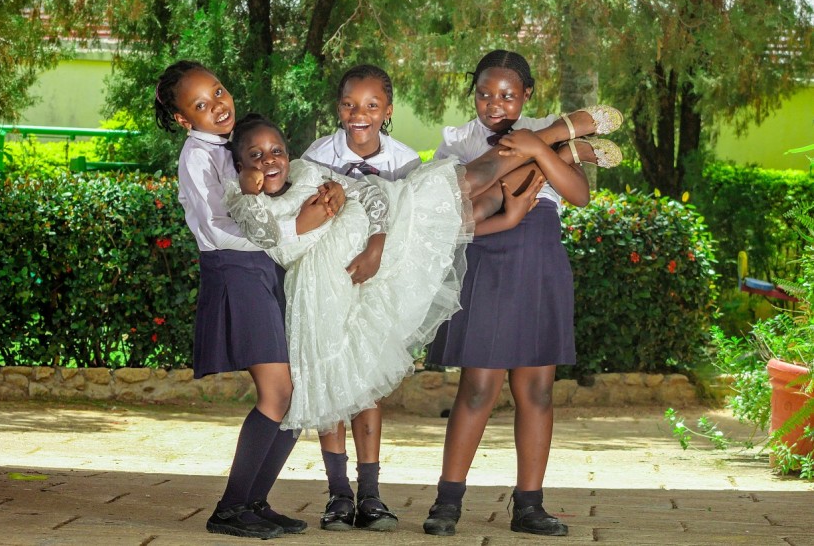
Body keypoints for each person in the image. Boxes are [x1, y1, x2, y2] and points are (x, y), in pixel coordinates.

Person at [224, 111, 556, 533]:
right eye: (255, 156)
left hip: (372, 263)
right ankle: (339, 494)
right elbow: (273, 237)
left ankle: (548, 141)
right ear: (239, 166)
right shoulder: (241, 197)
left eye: (276, 151)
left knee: (454, 195)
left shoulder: (308, 171)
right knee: (331, 383)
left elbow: (370, 196)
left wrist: (373, 239)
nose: (269, 161)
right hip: (320, 295)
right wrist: (276, 201)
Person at [423, 49, 621, 538]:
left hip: (539, 257)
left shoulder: (536, 128)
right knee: (477, 388)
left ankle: (529, 506)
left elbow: (578, 195)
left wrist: (537, 149)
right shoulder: (457, 140)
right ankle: (447, 503)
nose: (495, 104)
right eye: (485, 94)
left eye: (508, 95)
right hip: (486, 253)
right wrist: (542, 150)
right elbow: (453, 213)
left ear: (527, 95)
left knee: (535, 388)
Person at [152, 60, 345, 540]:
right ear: (183, 119)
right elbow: (220, 227)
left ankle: (253, 502)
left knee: (294, 395)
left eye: (218, 91)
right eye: (200, 104)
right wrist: (293, 228)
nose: (217, 105)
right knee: (278, 393)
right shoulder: (197, 157)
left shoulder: (234, 147)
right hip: (236, 272)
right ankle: (230, 509)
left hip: (261, 270)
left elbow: (266, 199)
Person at [298, 64, 423, 532]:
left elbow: (412, 227)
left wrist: (379, 252)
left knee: (365, 383)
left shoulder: (406, 161)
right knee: (331, 378)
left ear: (387, 111)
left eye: (372, 106)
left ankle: (370, 496)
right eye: (350, 104)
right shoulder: (317, 155)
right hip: (326, 280)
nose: (359, 114)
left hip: (379, 282)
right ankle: (337, 496)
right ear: (338, 107)